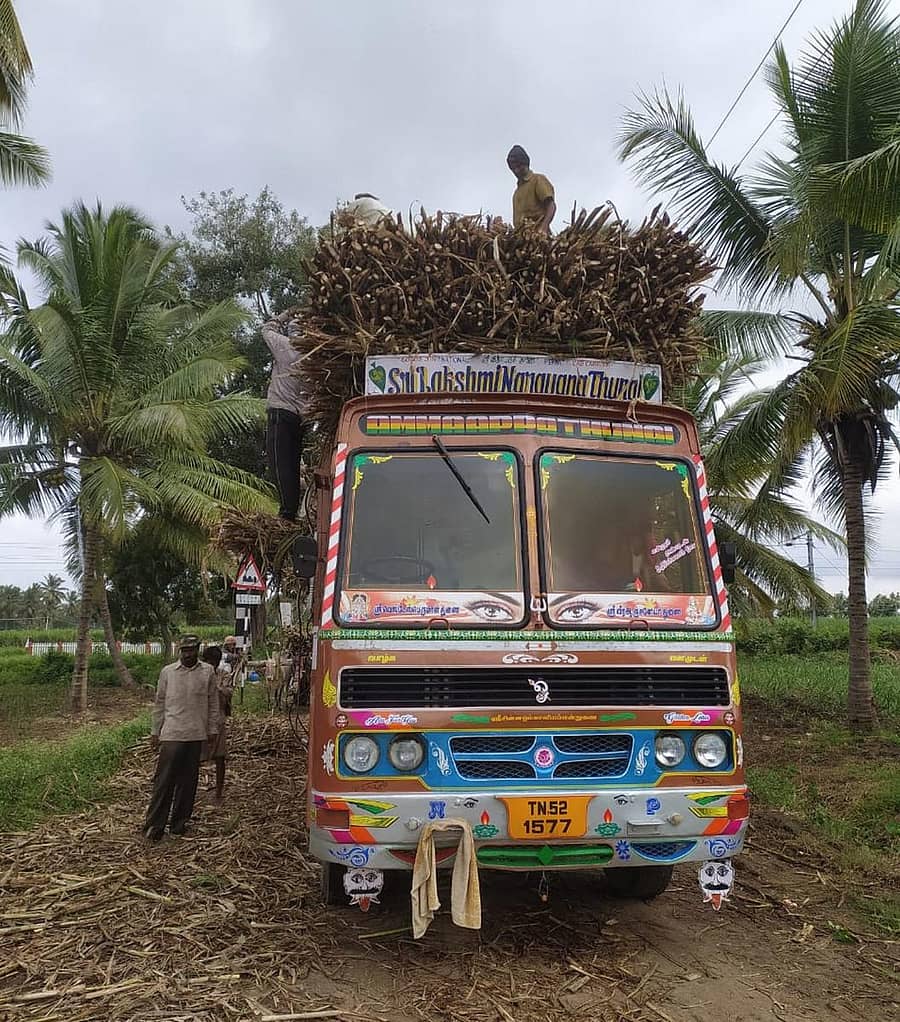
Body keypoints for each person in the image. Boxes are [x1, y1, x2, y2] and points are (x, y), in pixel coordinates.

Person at [143, 635, 218, 841]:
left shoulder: (207, 672)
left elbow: (213, 703)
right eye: (184, 651)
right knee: (164, 781)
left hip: (195, 734)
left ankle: (179, 824)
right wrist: (155, 732)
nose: (187, 654)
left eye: (191, 650)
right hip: (172, 734)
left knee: (188, 782)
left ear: (197, 650)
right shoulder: (168, 672)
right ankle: (155, 826)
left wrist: (213, 730)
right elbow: (159, 704)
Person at [261, 309, 308, 520]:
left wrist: (284, 315)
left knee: (280, 466)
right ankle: (291, 509)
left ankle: (287, 512)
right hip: (300, 418)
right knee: (292, 465)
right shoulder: (313, 356)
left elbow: (266, 329)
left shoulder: (285, 345)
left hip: (280, 414)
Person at [201, 645, 233, 804]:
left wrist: (217, 688)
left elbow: (228, 692)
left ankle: (219, 792)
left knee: (220, 757)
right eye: (208, 662)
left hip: (218, 720)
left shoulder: (223, 675)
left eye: (214, 662)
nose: (211, 665)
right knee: (195, 756)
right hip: (200, 720)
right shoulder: (198, 676)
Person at [506, 145, 556, 233]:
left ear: (526, 163)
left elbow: (551, 206)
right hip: (521, 239)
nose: (516, 171)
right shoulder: (516, 194)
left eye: (519, 166)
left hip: (538, 237)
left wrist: (543, 227)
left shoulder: (538, 180)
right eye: (513, 168)